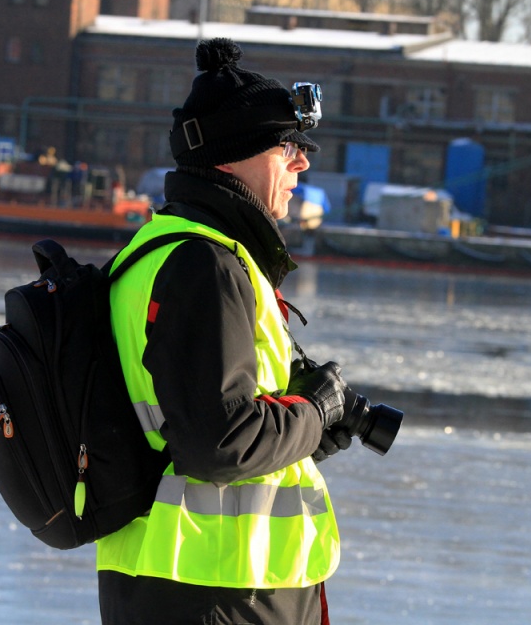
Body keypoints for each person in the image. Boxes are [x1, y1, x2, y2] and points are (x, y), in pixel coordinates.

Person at [98, 37, 354, 625]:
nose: (302, 163)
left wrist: (307, 431)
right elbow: (220, 443)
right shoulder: (203, 266)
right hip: (217, 588)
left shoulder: (165, 251)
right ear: (232, 157)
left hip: (193, 582)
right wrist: (314, 411)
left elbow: (191, 422)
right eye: (287, 146)